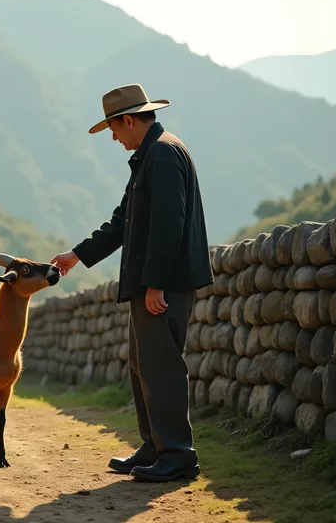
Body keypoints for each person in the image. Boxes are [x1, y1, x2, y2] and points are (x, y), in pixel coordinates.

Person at [51, 83, 214, 483]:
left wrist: (155, 284)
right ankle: (155, 446)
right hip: (153, 285)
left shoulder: (161, 154)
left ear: (129, 119)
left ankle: (178, 455)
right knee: (144, 366)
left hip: (163, 286)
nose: (113, 136)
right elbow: (125, 221)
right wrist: (79, 254)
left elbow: (167, 225)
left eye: (113, 127)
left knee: (162, 368)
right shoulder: (151, 155)